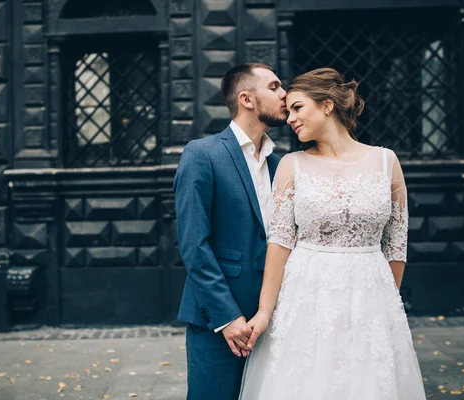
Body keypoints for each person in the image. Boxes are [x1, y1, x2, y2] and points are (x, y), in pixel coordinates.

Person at [239, 68, 426, 399]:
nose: (290, 118)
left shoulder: (386, 162)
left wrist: (384, 301)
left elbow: (396, 246)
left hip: (372, 298)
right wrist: (265, 311)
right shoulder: (290, 165)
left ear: (327, 105)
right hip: (307, 298)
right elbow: (280, 243)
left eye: (297, 108)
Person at [173, 63, 287, 400]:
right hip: (219, 321)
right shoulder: (202, 154)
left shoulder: (281, 165)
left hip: (274, 318)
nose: (285, 95)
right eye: (275, 86)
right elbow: (194, 244)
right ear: (247, 99)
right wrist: (227, 317)